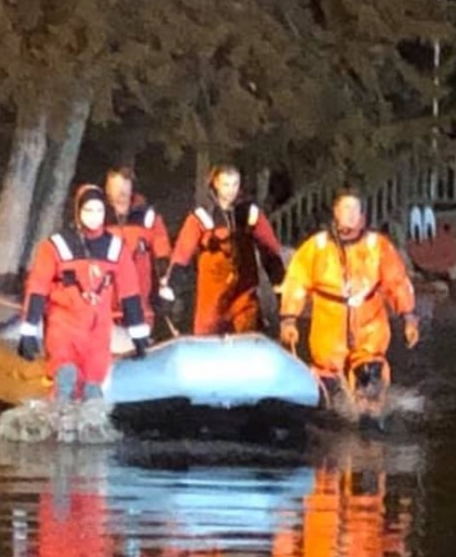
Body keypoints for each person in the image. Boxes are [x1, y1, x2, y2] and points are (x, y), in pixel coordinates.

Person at [278, 189, 419, 410]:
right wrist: (289, 319)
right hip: (329, 327)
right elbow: (296, 282)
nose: (351, 214)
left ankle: (372, 413)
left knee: (371, 374)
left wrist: (409, 317)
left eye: (355, 209)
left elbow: (397, 282)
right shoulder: (317, 247)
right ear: (336, 212)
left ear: (362, 214)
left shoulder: (378, 246)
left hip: (369, 326)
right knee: (330, 387)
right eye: (346, 208)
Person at [16, 184, 150, 401]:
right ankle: (59, 424)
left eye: (99, 210)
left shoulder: (115, 248)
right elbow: (37, 288)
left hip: (98, 332)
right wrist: (29, 330)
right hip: (64, 325)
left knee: (92, 389)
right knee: (65, 377)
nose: (94, 216)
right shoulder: (56, 246)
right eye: (88, 210)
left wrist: (138, 335)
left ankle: (87, 428)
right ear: (78, 211)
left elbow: (130, 293)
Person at [161, 164, 285, 335]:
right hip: (212, 299)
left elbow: (269, 248)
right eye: (226, 184)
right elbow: (183, 254)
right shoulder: (201, 216)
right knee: (207, 344)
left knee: (247, 342)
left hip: (244, 295)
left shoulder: (250, 213)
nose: (231, 190)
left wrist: (280, 283)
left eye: (235, 184)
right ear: (216, 184)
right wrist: (171, 288)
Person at [104, 166, 172, 335]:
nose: (121, 192)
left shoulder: (147, 216)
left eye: (125, 186)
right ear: (108, 189)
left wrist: (164, 278)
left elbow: (162, 245)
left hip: (140, 298)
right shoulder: (97, 214)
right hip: (106, 301)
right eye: (117, 187)